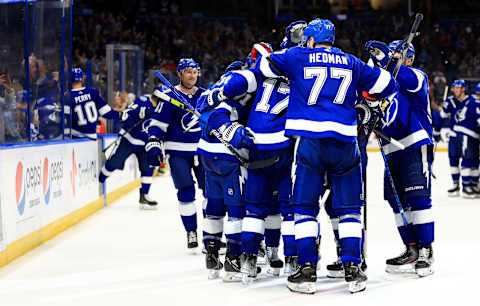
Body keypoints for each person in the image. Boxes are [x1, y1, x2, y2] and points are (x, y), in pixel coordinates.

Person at [255, 19, 397, 294]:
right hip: (346, 143)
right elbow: (387, 84)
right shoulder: (351, 61)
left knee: (305, 207)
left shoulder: (298, 55)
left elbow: (264, 66)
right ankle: (353, 269)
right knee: (350, 210)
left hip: (310, 142)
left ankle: (307, 270)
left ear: (309, 39)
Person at [366, 39, 435, 277]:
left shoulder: (416, 76)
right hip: (391, 149)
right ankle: (411, 248)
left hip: (415, 144)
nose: (394, 60)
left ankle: (426, 250)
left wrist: (388, 60)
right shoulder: (386, 85)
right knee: (395, 201)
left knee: (418, 199)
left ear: (409, 58)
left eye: (398, 56)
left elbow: (408, 80)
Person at [196, 59, 254, 281]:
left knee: (214, 205)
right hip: (229, 157)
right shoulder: (242, 87)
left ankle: (211, 256)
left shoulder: (214, 88)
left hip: (206, 155)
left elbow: (204, 106)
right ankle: (232, 258)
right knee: (235, 209)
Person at [155, 58, 206, 251]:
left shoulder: (204, 96)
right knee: (186, 192)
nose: (192, 75)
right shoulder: (169, 96)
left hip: (202, 151)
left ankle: (210, 234)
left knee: (211, 193)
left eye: (195, 72)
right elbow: (158, 124)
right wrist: (153, 141)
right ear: (179, 74)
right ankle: (191, 231)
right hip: (177, 152)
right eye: (188, 72)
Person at [99, 92, 164, 209]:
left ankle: (144, 196)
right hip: (129, 140)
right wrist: (139, 114)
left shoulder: (163, 109)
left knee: (148, 169)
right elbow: (128, 113)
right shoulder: (143, 100)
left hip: (146, 144)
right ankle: (99, 181)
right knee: (113, 164)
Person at [440, 80, 475, 196]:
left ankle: (466, 186)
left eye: (457, 88)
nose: (455, 90)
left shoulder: (471, 101)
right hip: (453, 135)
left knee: (467, 158)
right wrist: (444, 106)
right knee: (453, 160)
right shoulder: (450, 100)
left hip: (466, 134)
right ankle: (455, 185)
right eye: (454, 88)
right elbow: (443, 115)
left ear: (463, 89)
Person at [67, 68, 120, 140]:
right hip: (92, 138)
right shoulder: (92, 92)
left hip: (75, 139)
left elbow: (65, 119)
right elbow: (107, 113)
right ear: (82, 79)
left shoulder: (68, 96)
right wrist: (121, 114)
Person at [452, 83, 480, 197]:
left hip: (471, 135)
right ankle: (466, 186)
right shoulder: (476, 102)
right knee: (468, 159)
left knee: (474, 160)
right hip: (466, 133)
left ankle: (473, 185)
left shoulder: (473, 101)